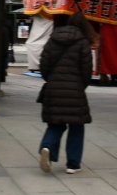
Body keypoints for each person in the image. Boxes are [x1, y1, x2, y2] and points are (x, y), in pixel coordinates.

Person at [37, 11, 93, 174]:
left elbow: (44, 65)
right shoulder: (83, 43)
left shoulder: (52, 39)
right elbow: (86, 70)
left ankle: (47, 147)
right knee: (76, 126)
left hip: (53, 88)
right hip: (75, 90)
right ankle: (73, 164)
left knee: (55, 124)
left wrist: (51, 80)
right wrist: (80, 85)